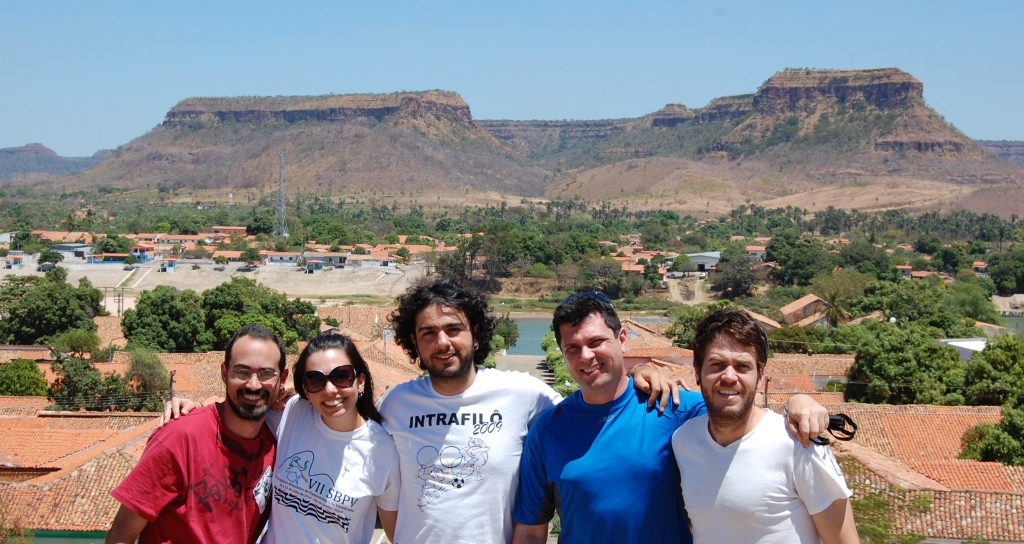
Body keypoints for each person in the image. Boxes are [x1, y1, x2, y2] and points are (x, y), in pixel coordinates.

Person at [380, 276, 678, 544]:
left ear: (475, 331)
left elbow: (588, 410)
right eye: (428, 333)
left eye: (453, 329)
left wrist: (638, 370)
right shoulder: (395, 405)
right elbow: (389, 503)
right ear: (413, 342)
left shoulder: (524, 393)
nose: (442, 342)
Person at [512, 293, 830, 543]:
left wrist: (797, 402)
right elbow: (530, 532)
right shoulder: (548, 430)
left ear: (622, 339)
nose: (586, 356)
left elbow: (743, 414)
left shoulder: (674, 407)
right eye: (572, 348)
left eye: (597, 342)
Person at [163, 333, 401, 543]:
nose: (329, 390)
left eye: (341, 376)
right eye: (315, 380)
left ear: (360, 381)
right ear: (305, 389)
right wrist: (197, 410)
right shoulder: (292, 413)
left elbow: (396, 535)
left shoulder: (382, 450)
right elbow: (241, 412)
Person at [672, 310, 858, 543]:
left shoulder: (800, 444)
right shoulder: (683, 442)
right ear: (697, 372)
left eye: (742, 366)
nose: (729, 376)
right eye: (717, 364)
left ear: (760, 376)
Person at [106, 324, 287, 544]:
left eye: (266, 373)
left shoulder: (278, 446)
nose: (253, 384)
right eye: (242, 372)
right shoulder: (180, 437)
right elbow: (120, 536)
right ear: (224, 373)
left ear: (282, 378)